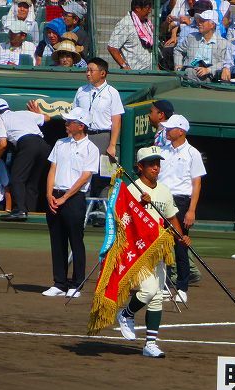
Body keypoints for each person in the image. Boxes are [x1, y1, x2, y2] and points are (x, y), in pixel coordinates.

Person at [116, 146, 192, 357]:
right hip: (137, 250)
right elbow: (121, 216)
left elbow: (172, 217)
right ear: (140, 167)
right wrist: (140, 203)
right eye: (151, 164)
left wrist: (181, 236)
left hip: (157, 250)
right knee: (149, 290)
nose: (156, 168)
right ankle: (126, 313)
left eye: (158, 163)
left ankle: (150, 344)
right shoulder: (132, 188)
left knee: (157, 296)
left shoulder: (164, 190)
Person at [42, 107, 99, 298]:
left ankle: (76, 284)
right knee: (56, 241)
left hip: (74, 198)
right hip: (55, 196)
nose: (66, 125)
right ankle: (59, 283)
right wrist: (49, 194)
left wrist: (65, 197)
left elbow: (84, 177)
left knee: (76, 240)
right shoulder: (60, 143)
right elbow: (52, 169)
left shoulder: (91, 148)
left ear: (80, 126)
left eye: (69, 122)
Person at [158, 114, 205, 304]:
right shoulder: (163, 150)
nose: (167, 131)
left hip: (181, 201)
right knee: (161, 245)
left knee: (180, 245)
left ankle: (182, 287)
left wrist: (191, 210)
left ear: (181, 131)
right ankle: (163, 285)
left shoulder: (192, 153)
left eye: (170, 128)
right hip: (161, 198)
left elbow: (197, 182)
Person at [0, 98, 51, 222]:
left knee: (17, 178)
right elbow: (47, 118)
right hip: (44, 146)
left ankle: (20, 211)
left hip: (27, 144)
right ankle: (31, 213)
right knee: (33, 182)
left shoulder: (0, 118)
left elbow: (2, 144)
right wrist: (38, 113)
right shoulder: (24, 113)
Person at [72, 58, 124, 182]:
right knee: (82, 171)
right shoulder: (81, 90)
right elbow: (74, 115)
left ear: (102, 73)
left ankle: (103, 200)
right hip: (83, 135)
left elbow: (116, 120)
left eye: (91, 70)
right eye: (87, 70)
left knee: (105, 174)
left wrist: (112, 145)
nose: (88, 73)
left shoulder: (112, 93)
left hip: (103, 136)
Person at [174, 9, 229, 80]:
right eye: (199, 21)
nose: (199, 23)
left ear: (212, 25)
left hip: (210, 79)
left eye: (203, 21)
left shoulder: (223, 43)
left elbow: (225, 62)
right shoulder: (191, 37)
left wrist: (208, 70)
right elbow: (178, 50)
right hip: (188, 76)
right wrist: (178, 64)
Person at [108, 0, 155, 70]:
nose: (150, 11)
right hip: (134, 73)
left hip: (149, 71)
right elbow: (112, 48)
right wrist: (124, 66)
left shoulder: (147, 23)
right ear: (137, 8)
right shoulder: (125, 23)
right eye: (147, 8)